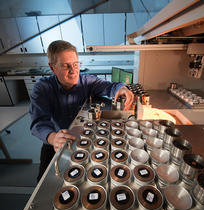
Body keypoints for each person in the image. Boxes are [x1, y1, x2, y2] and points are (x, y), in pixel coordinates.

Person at [29, 40, 134, 182]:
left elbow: (110, 87)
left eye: (75, 64)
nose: (73, 71)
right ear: (53, 68)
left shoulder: (87, 81)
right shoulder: (42, 88)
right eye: (66, 66)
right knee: (45, 181)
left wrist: (121, 88)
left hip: (85, 135)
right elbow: (38, 123)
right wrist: (53, 137)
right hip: (57, 140)